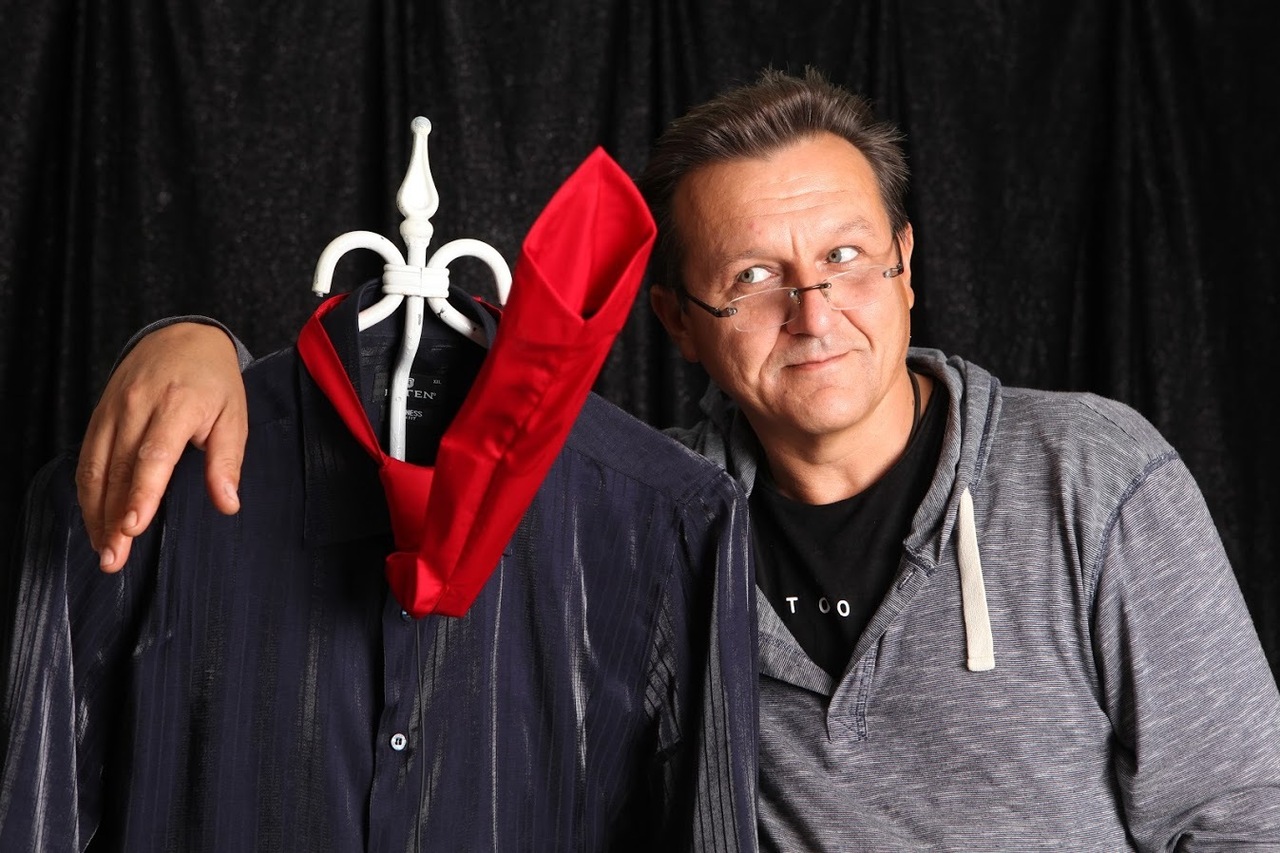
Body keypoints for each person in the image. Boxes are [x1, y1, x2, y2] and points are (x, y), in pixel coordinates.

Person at [68, 69, 1280, 849]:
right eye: (751, 277)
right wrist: (193, 340)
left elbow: (1241, 815)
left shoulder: (1089, 478)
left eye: (846, 257)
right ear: (676, 324)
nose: (814, 311)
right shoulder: (643, 523)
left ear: (906, 265)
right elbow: (420, 512)